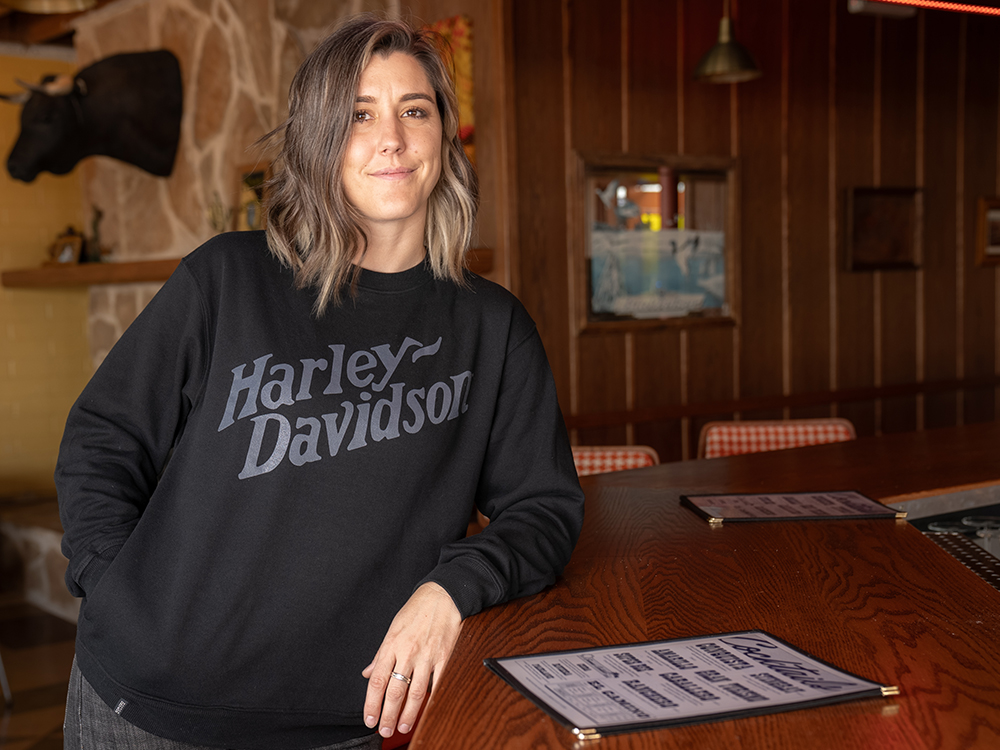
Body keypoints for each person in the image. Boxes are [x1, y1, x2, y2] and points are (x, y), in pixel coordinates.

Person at [56, 13, 584, 750]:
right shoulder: (228, 278)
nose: (391, 139)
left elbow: (544, 507)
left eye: (414, 111)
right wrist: (112, 584)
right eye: (359, 115)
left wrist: (450, 592)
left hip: (345, 724)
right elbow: (103, 438)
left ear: (443, 137)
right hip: (146, 709)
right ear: (319, 139)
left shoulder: (492, 328)